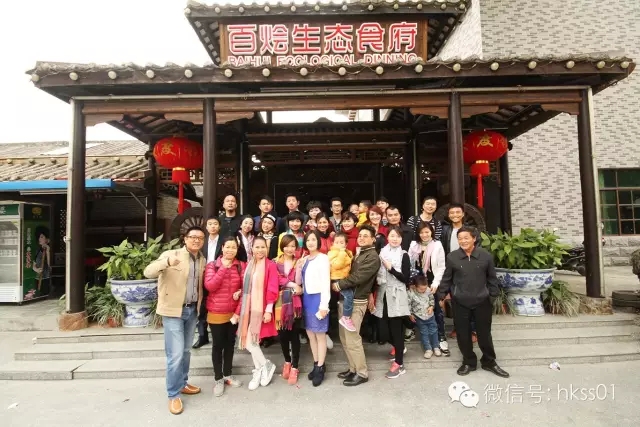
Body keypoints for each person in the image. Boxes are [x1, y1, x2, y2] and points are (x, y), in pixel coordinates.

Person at [143, 225, 206, 415]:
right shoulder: (171, 254)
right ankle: (173, 394)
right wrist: (166, 262)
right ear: (185, 238)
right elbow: (148, 272)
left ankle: (183, 383)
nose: (196, 240)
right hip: (172, 311)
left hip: (191, 310)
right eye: (193, 237)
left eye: (200, 238)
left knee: (186, 351)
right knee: (175, 354)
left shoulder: (202, 259)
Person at [437, 226, 509, 378]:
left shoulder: (485, 256)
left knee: (484, 334)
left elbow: (492, 278)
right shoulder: (452, 257)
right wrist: (441, 295)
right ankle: (468, 362)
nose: (463, 241)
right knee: (463, 334)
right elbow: (447, 278)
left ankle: (489, 361)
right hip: (460, 302)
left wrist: (492, 296)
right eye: (460, 238)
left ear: (474, 238)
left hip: (482, 301)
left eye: (466, 238)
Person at [332, 225, 381, 386]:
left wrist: (339, 284)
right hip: (347, 298)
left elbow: (359, 277)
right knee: (344, 338)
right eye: (360, 235)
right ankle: (353, 369)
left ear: (373, 239)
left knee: (352, 339)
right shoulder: (361, 253)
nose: (362, 238)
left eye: (366, 236)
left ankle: (361, 373)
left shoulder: (372, 256)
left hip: (357, 300)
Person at [232, 237, 280, 391]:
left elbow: (272, 288)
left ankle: (265, 366)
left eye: (262, 247)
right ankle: (260, 369)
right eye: (257, 247)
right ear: (251, 249)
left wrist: (268, 310)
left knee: (250, 342)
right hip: (248, 308)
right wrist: (240, 292)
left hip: (261, 308)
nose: (260, 250)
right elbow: (248, 287)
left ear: (267, 248)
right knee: (252, 342)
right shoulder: (250, 265)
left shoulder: (270, 265)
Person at [203, 236, 246, 397]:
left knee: (230, 344)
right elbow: (210, 286)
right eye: (227, 247)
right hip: (216, 312)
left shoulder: (241, 266)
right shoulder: (212, 265)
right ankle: (218, 378)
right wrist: (223, 268)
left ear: (237, 249)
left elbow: (245, 290)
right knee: (218, 345)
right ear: (222, 248)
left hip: (233, 313)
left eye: (233, 247)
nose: (230, 250)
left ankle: (227, 374)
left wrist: (238, 312)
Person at [373, 226, 411, 379]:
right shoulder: (381, 253)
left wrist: (391, 269)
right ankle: (399, 347)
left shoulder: (404, 255)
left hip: (397, 295)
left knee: (397, 330)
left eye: (398, 236)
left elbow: (406, 278)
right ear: (387, 237)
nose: (395, 239)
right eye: (392, 236)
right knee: (382, 329)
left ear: (402, 239)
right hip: (383, 294)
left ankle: (399, 363)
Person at [440, 203, 481, 340]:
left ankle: (473, 330)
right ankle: (458, 327)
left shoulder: (471, 230)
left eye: (458, 212)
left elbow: (477, 248)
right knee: (455, 299)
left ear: (463, 214)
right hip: (452, 267)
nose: (455, 215)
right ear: (448, 215)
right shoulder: (445, 230)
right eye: (452, 213)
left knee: (470, 299)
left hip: (468, 267)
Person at [408, 222, 448, 355]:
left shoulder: (437, 245)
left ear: (432, 232)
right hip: (417, 282)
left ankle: (441, 337)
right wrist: (411, 282)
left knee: (435, 309)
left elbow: (441, 266)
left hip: (431, 282)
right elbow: (410, 264)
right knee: (417, 307)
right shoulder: (414, 245)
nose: (424, 235)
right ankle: (422, 337)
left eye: (427, 232)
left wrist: (435, 283)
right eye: (421, 232)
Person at [298, 230, 331, 387]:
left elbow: (325, 283)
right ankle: (316, 362)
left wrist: (324, 305)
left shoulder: (323, 258)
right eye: (308, 240)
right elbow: (301, 281)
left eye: (313, 239)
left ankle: (321, 367)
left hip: (318, 300)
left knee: (320, 335)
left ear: (318, 241)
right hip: (306, 299)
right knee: (311, 335)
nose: (310, 242)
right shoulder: (304, 259)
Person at [274, 235, 304, 385]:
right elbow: (276, 279)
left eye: (293, 246)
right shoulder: (275, 262)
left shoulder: (299, 261)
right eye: (287, 246)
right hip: (279, 303)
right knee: (282, 334)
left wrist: (299, 269)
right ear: (282, 246)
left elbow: (300, 281)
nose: (290, 249)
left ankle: (295, 366)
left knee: (294, 335)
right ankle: (287, 361)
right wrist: (292, 285)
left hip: (295, 303)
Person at [193, 217, 223, 349]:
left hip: (219, 277)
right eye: (210, 224)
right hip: (203, 276)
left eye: (215, 224)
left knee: (219, 305)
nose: (213, 226)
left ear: (219, 226)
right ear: (206, 227)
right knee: (202, 307)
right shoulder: (201, 242)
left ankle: (221, 337)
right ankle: (202, 336)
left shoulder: (224, 241)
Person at [408, 276, 441, 359]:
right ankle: (428, 349)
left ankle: (436, 347)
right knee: (424, 333)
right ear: (415, 286)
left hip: (430, 316)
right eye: (421, 289)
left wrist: (431, 307)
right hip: (419, 317)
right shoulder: (411, 293)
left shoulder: (428, 290)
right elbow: (408, 305)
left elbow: (432, 299)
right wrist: (410, 314)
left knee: (434, 331)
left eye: (425, 289)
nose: (423, 291)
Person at [328, 233, 354, 331]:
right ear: (333, 243)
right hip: (337, 278)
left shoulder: (346, 252)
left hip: (344, 277)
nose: (339, 244)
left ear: (346, 244)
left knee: (348, 295)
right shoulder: (332, 253)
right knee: (349, 295)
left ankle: (345, 313)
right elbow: (337, 265)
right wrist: (342, 253)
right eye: (336, 242)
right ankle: (346, 317)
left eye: (341, 242)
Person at [32, 227, 52, 298]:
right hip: (37, 278)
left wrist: (48, 251)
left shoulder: (49, 250)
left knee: (45, 296)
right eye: (39, 237)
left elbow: (50, 265)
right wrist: (36, 269)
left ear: (47, 240)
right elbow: (33, 265)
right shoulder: (38, 251)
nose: (39, 239)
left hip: (46, 278)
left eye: (42, 237)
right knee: (38, 296)